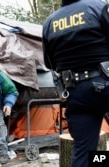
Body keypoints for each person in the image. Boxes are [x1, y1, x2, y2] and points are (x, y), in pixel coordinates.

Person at [42, 0, 109, 166]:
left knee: (83, 154)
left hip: (76, 92)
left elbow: (49, 63)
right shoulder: (99, 7)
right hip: (106, 82)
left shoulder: (49, 22)